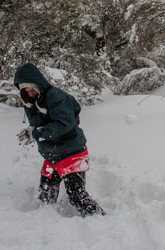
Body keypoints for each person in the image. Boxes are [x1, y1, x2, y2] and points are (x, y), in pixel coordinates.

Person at [14, 62, 105, 216]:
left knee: (77, 196)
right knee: (45, 193)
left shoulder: (56, 97)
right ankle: (44, 220)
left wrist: (38, 133)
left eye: (32, 89)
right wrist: (31, 131)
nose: (30, 93)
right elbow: (39, 124)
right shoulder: (29, 103)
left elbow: (65, 124)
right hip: (52, 156)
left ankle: (100, 219)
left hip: (72, 154)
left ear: (39, 84)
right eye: (25, 90)